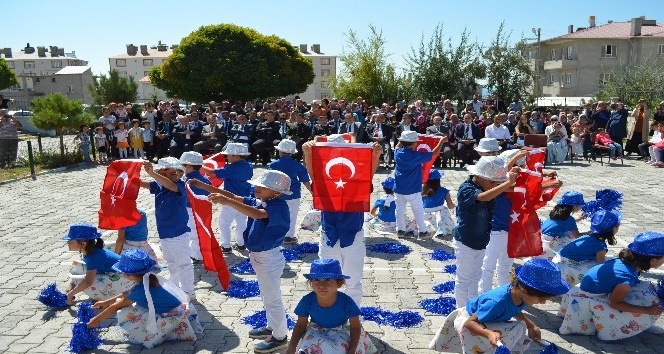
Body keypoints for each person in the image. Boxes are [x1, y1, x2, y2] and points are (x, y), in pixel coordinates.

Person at [192, 170, 292, 353]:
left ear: (277, 192)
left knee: (272, 299)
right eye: (258, 185)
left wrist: (227, 203)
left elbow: (257, 214)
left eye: (263, 186)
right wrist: (205, 187)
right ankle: (272, 327)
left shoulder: (277, 206)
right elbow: (234, 196)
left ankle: (280, 337)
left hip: (269, 258)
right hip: (260, 257)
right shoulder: (266, 200)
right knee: (266, 296)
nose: (257, 188)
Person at [301, 134, 383, 307]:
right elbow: (314, 177)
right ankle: (327, 316)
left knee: (353, 281)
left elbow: (367, 176)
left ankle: (353, 319)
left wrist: (375, 156)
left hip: (353, 233)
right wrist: (308, 154)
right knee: (325, 277)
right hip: (329, 234)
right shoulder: (324, 179)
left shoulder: (357, 181)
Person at [430, 259, 570, 353]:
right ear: (524, 290)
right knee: (484, 347)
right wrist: (488, 333)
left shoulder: (518, 295)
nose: (543, 303)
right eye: (541, 300)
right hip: (471, 322)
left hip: (487, 318)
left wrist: (530, 324)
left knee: (519, 327)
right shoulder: (497, 302)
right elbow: (469, 323)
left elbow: (514, 309)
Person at [87, 250, 202, 348]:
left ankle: (155, 335)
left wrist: (96, 320)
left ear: (129, 275)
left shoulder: (142, 289)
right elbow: (127, 293)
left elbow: (116, 306)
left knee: (126, 312)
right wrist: (105, 302)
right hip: (178, 308)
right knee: (134, 307)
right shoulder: (148, 278)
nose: (121, 274)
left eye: (122, 272)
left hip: (172, 315)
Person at [559, 232, 664, 340]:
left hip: (589, 290)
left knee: (647, 288)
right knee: (650, 300)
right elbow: (615, 303)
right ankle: (641, 324)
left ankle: (645, 321)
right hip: (591, 298)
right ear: (653, 260)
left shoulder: (627, 262)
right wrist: (647, 310)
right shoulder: (627, 275)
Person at [453, 156, 519, 308]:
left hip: (481, 241)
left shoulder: (487, 185)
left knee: (475, 277)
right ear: (479, 176)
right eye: (493, 182)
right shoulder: (467, 188)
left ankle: (473, 306)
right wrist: (507, 182)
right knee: (463, 279)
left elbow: (510, 187)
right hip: (466, 242)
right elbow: (482, 197)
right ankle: (461, 310)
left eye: (497, 182)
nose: (495, 185)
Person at [286, 259, 376, 354]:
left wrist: (352, 350)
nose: (321, 285)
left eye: (327, 280)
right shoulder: (307, 301)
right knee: (309, 349)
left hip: (341, 331)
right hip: (316, 331)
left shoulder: (346, 302)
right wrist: (291, 347)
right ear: (311, 282)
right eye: (316, 280)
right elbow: (300, 325)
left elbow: (355, 327)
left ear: (339, 283)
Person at [139, 158, 195, 298]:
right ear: (162, 174)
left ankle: (189, 292)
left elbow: (171, 186)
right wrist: (127, 175)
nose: (175, 175)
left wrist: (152, 173)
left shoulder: (180, 186)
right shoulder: (159, 185)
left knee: (184, 264)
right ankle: (173, 287)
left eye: (177, 172)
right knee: (171, 263)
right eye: (170, 173)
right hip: (165, 234)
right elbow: (142, 184)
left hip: (178, 234)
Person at [478, 150, 528, 294]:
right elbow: (504, 179)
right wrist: (517, 157)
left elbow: (529, 189)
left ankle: (504, 292)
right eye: (516, 166)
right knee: (489, 264)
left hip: (512, 230)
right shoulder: (498, 184)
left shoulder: (515, 183)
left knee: (506, 265)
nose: (518, 169)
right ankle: (485, 293)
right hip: (497, 229)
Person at [200, 143, 253, 253]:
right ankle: (241, 244)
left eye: (229, 155)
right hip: (245, 199)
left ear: (237, 156)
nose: (227, 157)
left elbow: (211, 172)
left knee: (224, 223)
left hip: (231, 200)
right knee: (241, 222)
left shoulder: (232, 168)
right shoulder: (249, 166)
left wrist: (199, 164)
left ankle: (226, 245)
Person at [63, 223, 133, 304]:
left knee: (79, 280)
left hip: (124, 281)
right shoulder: (91, 250)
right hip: (124, 277)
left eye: (70, 240)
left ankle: (106, 296)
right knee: (78, 267)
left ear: (83, 243)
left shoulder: (94, 256)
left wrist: (70, 295)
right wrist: (72, 284)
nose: (67, 242)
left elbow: (88, 282)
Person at [393, 131, 446, 238]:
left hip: (399, 188)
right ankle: (423, 231)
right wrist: (441, 141)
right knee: (418, 210)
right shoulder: (415, 155)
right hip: (412, 189)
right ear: (413, 144)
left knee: (399, 210)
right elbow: (433, 153)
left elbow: (397, 146)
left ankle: (400, 230)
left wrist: (403, 139)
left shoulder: (397, 152)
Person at [553, 210, 621, 287]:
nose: (618, 228)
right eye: (617, 226)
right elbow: (600, 265)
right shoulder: (600, 246)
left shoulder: (588, 236)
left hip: (557, 262)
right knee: (601, 267)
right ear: (612, 229)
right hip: (563, 269)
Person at [268, 139, 311, 245]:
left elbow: (267, 180)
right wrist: (313, 192)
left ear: (280, 151)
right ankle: (288, 236)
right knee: (292, 215)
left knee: (277, 215)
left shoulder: (274, 164)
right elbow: (305, 180)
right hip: (294, 194)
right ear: (292, 153)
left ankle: (276, 234)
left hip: (277, 194)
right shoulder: (297, 165)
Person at [179, 151, 211, 262]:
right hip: (203, 209)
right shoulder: (205, 179)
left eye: (182, 165)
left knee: (193, 233)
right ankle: (198, 252)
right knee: (197, 232)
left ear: (189, 166)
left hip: (190, 210)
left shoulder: (187, 180)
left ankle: (197, 255)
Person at [538, 191, 587, 260]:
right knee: (574, 239)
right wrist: (591, 232)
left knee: (569, 233)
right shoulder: (569, 219)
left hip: (541, 241)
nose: (581, 207)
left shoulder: (556, 213)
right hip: (550, 246)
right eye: (580, 205)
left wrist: (578, 219)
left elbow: (561, 223)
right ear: (575, 206)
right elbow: (577, 236)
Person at [421, 169, 455, 237]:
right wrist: (455, 205)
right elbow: (450, 206)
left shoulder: (422, 191)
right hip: (439, 214)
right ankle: (441, 229)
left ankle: (429, 227)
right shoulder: (444, 191)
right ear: (438, 180)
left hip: (425, 213)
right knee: (444, 209)